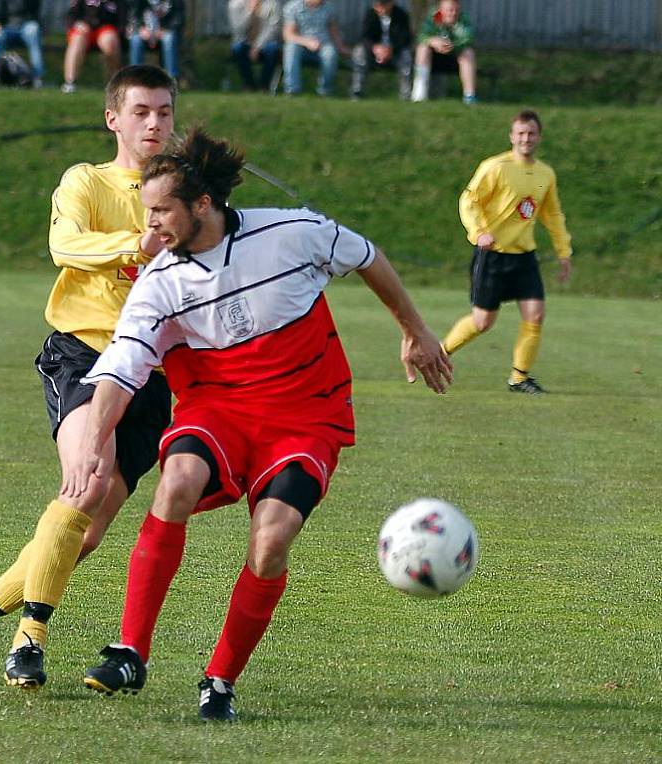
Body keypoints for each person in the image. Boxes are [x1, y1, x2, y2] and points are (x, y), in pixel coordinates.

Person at [64, 126, 453, 721]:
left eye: (162, 211)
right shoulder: (158, 282)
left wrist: (415, 331)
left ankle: (219, 680)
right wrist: (96, 440)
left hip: (306, 414)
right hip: (216, 409)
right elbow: (121, 369)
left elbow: (368, 256)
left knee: (271, 542)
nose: (150, 229)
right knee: (179, 478)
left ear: (203, 205)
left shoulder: (293, 233)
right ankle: (129, 650)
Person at [0, 65, 177, 689]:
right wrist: (135, 245)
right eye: (142, 111)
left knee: (86, 535)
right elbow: (66, 246)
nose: (155, 122)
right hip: (85, 356)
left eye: (165, 112)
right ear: (113, 119)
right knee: (86, 481)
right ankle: (29, 640)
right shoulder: (86, 181)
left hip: (151, 376)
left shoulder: (185, 196)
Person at [442, 109, 573, 394]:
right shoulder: (496, 167)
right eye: (521, 133)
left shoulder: (544, 174)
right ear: (512, 136)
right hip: (493, 255)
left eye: (531, 133)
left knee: (536, 315)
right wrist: (478, 232)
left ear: (539, 137)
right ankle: (439, 354)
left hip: (524, 256)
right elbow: (470, 200)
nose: (526, 138)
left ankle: (519, 378)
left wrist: (564, 251)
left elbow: (552, 214)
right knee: (482, 322)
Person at [411, 0, 476, 104]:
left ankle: (469, 96)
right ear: (441, 10)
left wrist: (452, 45)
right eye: (450, 10)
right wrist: (433, 41)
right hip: (433, 58)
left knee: (468, 52)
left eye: (456, 10)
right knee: (422, 48)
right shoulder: (433, 18)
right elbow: (421, 36)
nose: (453, 13)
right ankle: (419, 94)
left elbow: (469, 39)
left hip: (454, 58)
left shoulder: (463, 19)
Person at [282, 0, 350, 96]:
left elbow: (334, 32)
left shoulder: (329, 8)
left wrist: (341, 47)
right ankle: (292, 90)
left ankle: (325, 92)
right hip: (300, 45)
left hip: (323, 44)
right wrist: (307, 42)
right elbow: (288, 35)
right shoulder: (293, 7)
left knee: (330, 53)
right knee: (291, 48)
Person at [61, 0, 128, 94]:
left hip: (106, 29)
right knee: (78, 38)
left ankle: (114, 83)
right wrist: (77, 23)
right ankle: (70, 82)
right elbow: (71, 15)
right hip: (84, 29)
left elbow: (122, 21)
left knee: (110, 41)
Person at [350, 0, 412, 100]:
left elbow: (405, 38)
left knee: (406, 56)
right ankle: (357, 93)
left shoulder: (401, 15)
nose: (380, 7)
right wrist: (375, 48)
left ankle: (405, 96)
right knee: (358, 53)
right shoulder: (370, 14)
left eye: (384, 4)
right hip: (373, 53)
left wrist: (391, 49)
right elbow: (365, 37)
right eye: (378, 4)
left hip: (394, 53)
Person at [0, 0, 45, 90]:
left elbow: (34, 14)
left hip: (26, 28)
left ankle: (37, 77)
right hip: (7, 29)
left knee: (33, 30)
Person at [228, 0, 282, 93]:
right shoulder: (235, 4)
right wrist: (250, 12)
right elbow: (237, 30)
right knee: (237, 48)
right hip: (244, 43)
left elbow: (273, 28)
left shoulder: (273, 4)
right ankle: (249, 85)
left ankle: (264, 86)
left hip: (265, 43)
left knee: (273, 48)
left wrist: (257, 46)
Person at [128, 0, 185, 80]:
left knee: (169, 39)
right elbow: (133, 16)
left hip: (166, 32)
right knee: (135, 40)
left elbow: (179, 18)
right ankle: (135, 77)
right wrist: (140, 28)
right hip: (145, 32)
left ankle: (172, 79)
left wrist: (165, 30)